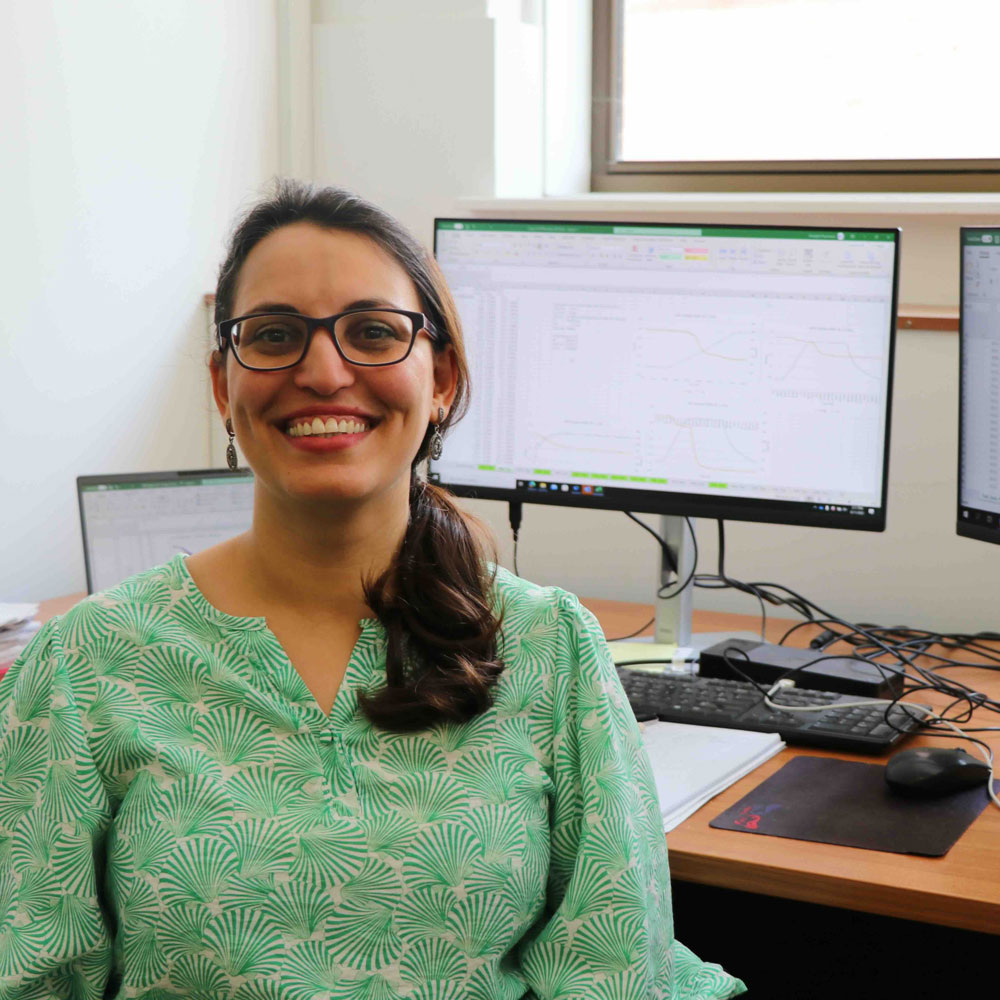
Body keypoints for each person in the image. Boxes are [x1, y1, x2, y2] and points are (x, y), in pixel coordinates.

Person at [0, 181, 746, 999]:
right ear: (223, 385)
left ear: (442, 381)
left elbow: (615, 974)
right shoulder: (91, 662)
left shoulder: (549, 647)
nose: (324, 373)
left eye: (374, 333)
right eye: (275, 335)